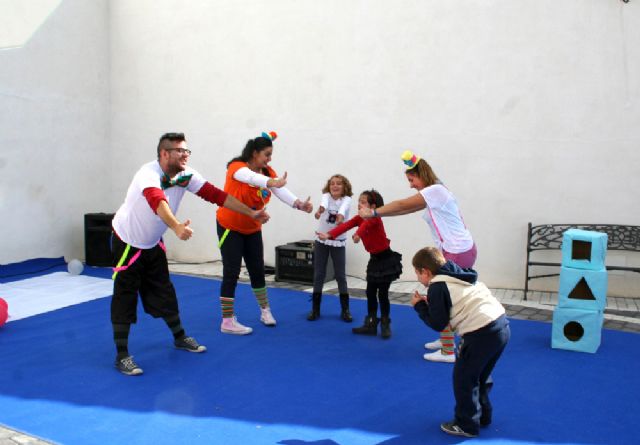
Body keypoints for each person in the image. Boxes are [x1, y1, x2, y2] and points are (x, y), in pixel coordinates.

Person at [111, 132, 269, 376]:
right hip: (127, 242)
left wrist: (251, 212)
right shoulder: (148, 174)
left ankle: (179, 337)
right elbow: (157, 201)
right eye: (180, 151)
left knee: (165, 291)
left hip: (152, 243)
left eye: (187, 150)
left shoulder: (186, 175)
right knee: (125, 296)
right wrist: (176, 226)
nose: (185, 155)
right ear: (164, 154)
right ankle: (122, 355)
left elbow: (216, 195)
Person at [359, 150, 476, 363]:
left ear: (421, 175)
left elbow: (403, 204)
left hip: (458, 251)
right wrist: (381, 213)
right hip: (456, 250)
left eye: (412, 180)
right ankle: (446, 339)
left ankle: (448, 351)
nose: (411, 185)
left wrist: (374, 212)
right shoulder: (435, 192)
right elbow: (404, 210)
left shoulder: (435, 190)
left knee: (443, 298)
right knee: (445, 297)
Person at [216, 131, 313, 335]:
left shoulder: (267, 172)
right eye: (266, 154)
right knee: (231, 271)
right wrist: (271, 182)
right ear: (254, 153)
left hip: (252, 228)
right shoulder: (237, 167)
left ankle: (265, 310)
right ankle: (227, 320)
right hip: (229, 227)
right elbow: (251, 177)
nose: (269, 159)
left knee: (257, 270)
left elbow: (280, 190)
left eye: (270, 155)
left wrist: (299, 204)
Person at [410, 247, 509, 438]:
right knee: (480, 375)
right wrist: (432, 304)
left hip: (481, 332)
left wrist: (420, 306)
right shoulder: (458, 274)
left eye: (417, 273)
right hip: (501, 325)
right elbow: (452, 303)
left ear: (426, 271)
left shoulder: (437, 286)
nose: (417, 278)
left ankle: (466, 425)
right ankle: (483, 416)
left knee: (464, 378)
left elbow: (438, 324)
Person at [317, 189, 402, 339]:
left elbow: (366, 225)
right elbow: (346, 225)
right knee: (370, 292)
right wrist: (329, 234)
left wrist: (358, 234)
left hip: (386, 260)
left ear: (373, 207)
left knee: (382, 294)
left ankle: (385, 323)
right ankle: (371, 323)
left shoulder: (375, 218)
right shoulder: (358, 218)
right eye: (359, 202)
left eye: (363, 202)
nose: (359, 204)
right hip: (374, 260)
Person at [308, 174, 354, 322]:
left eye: (339, 183)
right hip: (322, 239)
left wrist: (340, 217)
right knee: (319, 274)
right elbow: (323, 205)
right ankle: (315, 309)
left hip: (337, 241)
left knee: (340, 275)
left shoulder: (347, 199)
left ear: (345, 187)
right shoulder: (326, 196)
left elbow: (343, 209)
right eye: (332, 183)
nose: (335, 186)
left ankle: (345, 310)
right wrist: (319, 211)